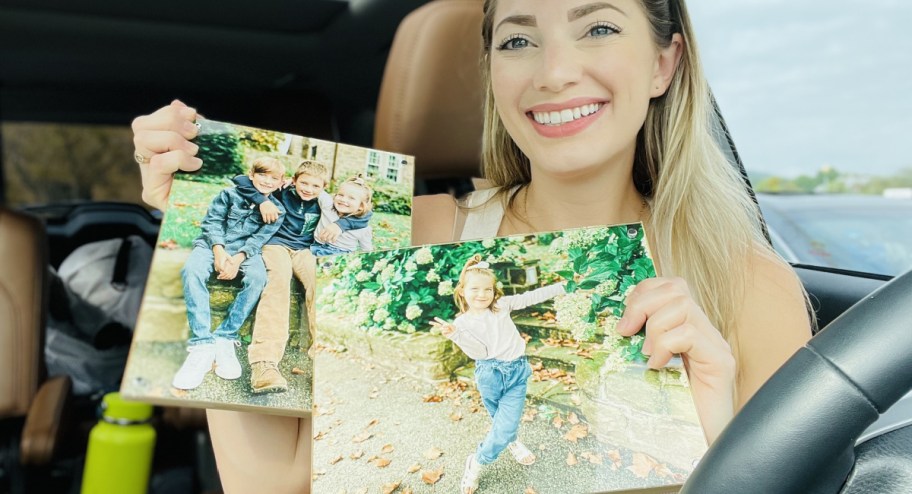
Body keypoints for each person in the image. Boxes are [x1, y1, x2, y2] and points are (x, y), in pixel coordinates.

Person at [131, 0, 812, 491]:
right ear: (493, 72)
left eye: (598, 27)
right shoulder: (412, 233)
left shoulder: (749, 285)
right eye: (518, 41)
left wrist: (723, 442)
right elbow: (271, 483)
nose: (554, 72)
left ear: (666, 62)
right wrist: (190, 221)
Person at [232, 161, 372, 393]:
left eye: (315, 185)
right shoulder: (281, 191)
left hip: (307, 250)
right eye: (302, 182)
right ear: (294, 180)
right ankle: (264, 364)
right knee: (278, 282)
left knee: (320, 284)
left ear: (324, 188)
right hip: (275, 246)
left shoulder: (325, 200)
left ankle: (324, 353)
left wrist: (342, 224)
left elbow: (365, 212)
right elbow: (241, 180)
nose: (308, 188)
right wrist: (263, 200)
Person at [431, 255, 568, 493]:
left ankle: (476, 462)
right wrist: (456, 335)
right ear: (462, 291)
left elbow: (529, 297)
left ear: (495, 292)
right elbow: (480, 352)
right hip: (489, 375)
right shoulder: (461, 323)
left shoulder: (501, 306)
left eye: (488, 289)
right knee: (500, 422)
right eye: (475, 289)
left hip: (516, 372)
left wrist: (563, 287)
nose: (482, 294)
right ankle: (512, 441)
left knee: (504, 426)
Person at [172, 157, 285, 390]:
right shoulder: (228, 195)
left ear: (281, 182)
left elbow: (258, 240)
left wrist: (237, 260)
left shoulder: (277, 210)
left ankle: (226, 335)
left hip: (246, 253)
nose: (267, 181)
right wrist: (219, 252)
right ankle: (202, 343)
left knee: (258, 278)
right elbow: (212, 223)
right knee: (191, 270)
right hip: (211, 245)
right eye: (263, 175)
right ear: (251, 175)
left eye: (274, 178)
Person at [310, 174, 374, 256]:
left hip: (341, 254)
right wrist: (292, 181)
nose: (343, 200)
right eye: (340, 195)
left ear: (361, 206)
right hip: (315, 247)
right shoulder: (328, 205)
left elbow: (367, 250)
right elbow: (316, 189)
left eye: (351, 198)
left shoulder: (363, 228)